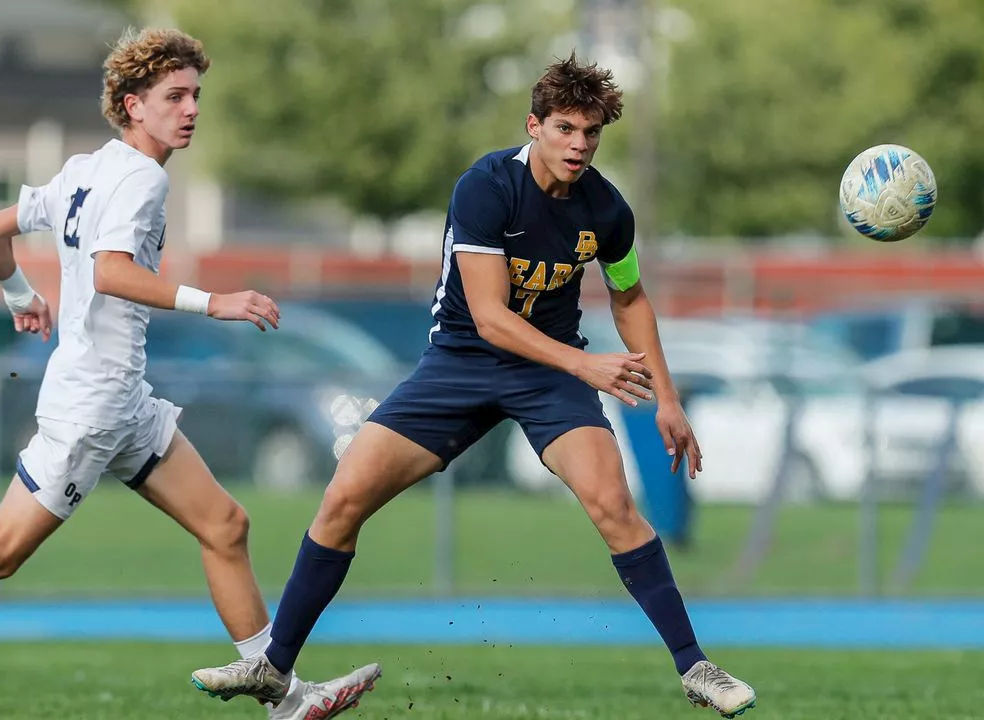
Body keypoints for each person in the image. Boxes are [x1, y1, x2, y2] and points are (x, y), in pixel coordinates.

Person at [0, 27, 380, 720]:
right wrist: (216, 302)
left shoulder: (84, 167)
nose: (192, 108)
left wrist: (20, 295)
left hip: (118, 395)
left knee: (226, 525)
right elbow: (112, 273)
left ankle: (282, 698)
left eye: (196, 95)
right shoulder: (141, 179)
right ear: (133, 105)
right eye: (175, 96)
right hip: (96, 404)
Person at [190, 53, 757, 718]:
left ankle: (696, 667)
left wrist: (666, 396)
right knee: (343, 499)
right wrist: (587, 365)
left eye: (592, 132)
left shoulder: (607, 209)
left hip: (547, 374)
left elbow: (629, 297)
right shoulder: (486, 187)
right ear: (534, 125)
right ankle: (273, 665)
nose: (579, 144)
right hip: (461, 362)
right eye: (566, 128)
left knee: (612, 504)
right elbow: (489, 318)